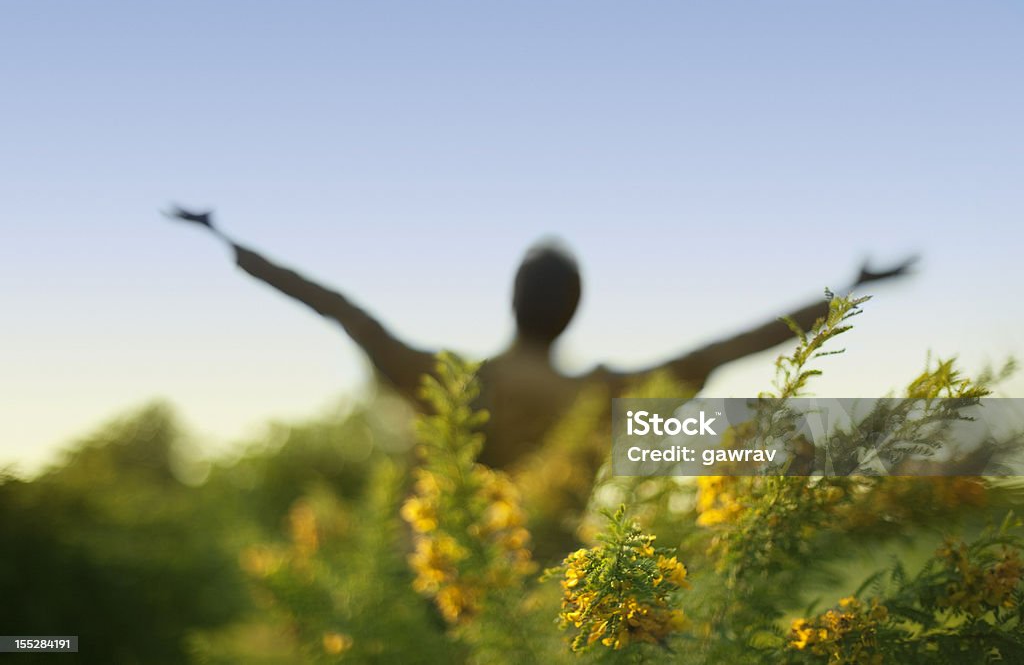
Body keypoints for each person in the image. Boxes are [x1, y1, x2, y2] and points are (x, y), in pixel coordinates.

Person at [168, 208, 915, 467]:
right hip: (557, 597)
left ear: (514, 299)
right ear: (574, 308)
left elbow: (340, 307)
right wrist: (846, 293)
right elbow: (726, 348)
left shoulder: (449, 380)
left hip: (438, 583)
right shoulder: (604, 395)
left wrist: (229, 240)